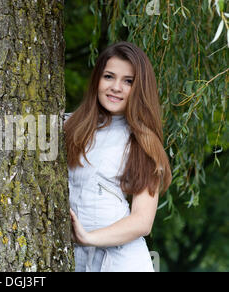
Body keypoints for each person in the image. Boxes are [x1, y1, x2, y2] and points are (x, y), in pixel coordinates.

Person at [64, 41, 172, 272]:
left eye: (128, 81)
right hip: (74, 258)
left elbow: (142, 221)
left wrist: (89, 237)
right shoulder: (68, 125)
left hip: (121, 261)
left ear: (140, 88)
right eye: (109, 76)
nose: (116, 87)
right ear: (97, 80)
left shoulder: (144, 141)